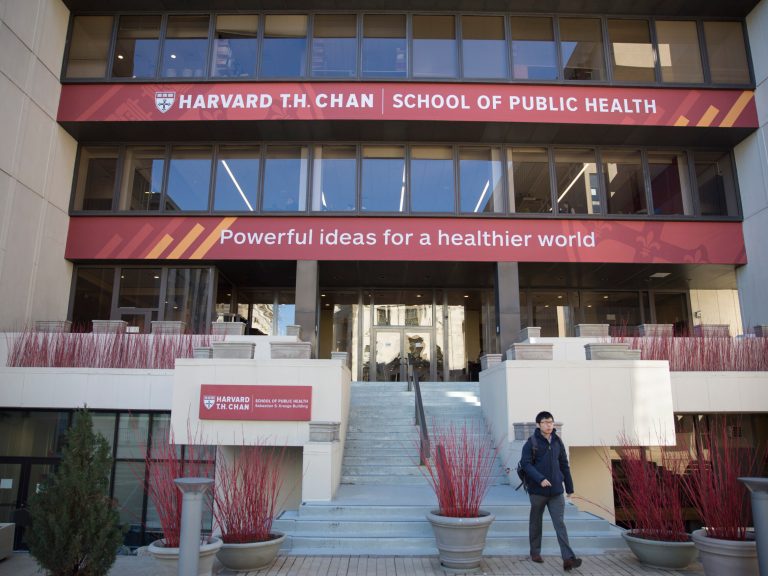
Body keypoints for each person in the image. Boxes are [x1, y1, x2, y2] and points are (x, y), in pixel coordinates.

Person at [521, 411, 582, 571]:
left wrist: (569, 487)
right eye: (545, 422)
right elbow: (526, 464)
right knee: (536, 522)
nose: (549, 425)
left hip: (556, 492)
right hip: (537, 492)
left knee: (560, 523)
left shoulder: (557, 441)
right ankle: (535, 552)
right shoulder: (531, 442)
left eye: (551, 422)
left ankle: (568, 558)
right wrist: (540, 478)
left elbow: (564, 464)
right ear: (538, 425)